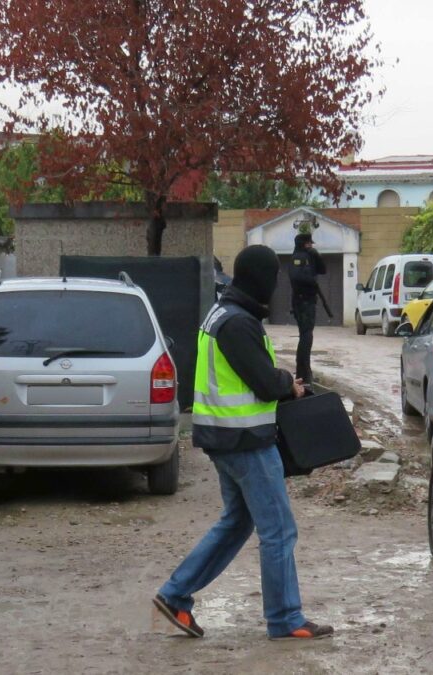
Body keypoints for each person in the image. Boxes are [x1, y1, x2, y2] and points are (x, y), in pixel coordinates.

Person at [153, 245, 333, 641]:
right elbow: (265, 383)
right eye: (272, 278)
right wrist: (290, 384)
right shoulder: (237, 323)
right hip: (246, 441)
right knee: (280, 531)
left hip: (228, 439)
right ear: (260, 280)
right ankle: (286, 618)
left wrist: (284, 383)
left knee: (237, 523)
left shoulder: (225, 315)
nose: (275, 286)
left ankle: (176, 594)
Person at [288, 233, 325, 384]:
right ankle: (303, 372)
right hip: (302, 301)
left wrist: (317, 256)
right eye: (309, 244)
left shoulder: (310, 256)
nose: (312, 246)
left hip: (309, 300)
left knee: (307, 336)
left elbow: (323, 270)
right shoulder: (298, 257)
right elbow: (296, 277)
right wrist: (312, 282)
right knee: (306, 336)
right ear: (304, 244)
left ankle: (304, 372)